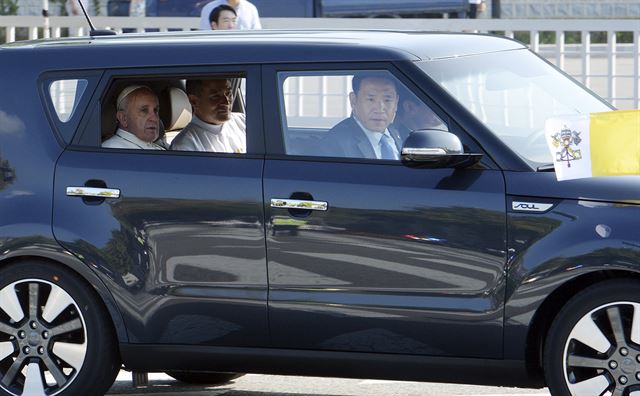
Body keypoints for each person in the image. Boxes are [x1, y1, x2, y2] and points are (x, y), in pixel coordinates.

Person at [323, 73, 402, 160]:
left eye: (387, 100)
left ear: (396, 103)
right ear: (353, 101)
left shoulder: (402, 134)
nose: (380, 108)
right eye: (371, 99)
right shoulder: (335, 144)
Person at [170, 79, 246, 153]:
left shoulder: (242, 121)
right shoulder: (184, 146)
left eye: (228, 93)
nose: (226, 102)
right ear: (194, 101)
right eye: (215, 96)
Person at [102, 85, 165, 150]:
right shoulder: (113, 151)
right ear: (123, 118)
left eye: (156, 110)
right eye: (144, 110)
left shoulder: (158, 147)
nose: (154, 118)